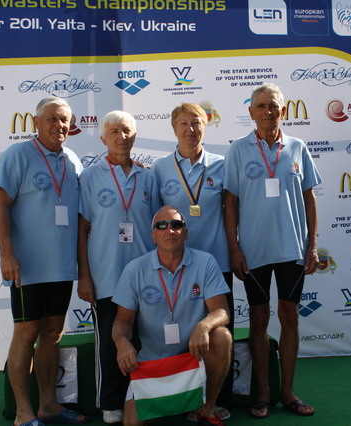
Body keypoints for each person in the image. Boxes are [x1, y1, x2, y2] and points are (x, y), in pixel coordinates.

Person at [224, 83, 322, 419]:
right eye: (262, 106)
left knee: (290, 316)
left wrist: (312, 245)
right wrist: (234, 248)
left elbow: (309, 198)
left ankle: (288, 391)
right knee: (258, 318)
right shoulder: (238, 149)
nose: (268, 111)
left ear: (283, 110)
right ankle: (263, 392)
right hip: (253, 251)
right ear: (251, 112)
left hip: (292, 248)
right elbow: (230, 202)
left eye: (274, 106)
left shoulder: (297, 147)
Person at [0, 97, 89, 426]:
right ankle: (23, 413)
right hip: (27, 268)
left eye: (64, 120)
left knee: (53, 333)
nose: (59, 125)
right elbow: (0, 205)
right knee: (26, 333)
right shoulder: (17, 155)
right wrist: (7, 253)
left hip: (61, 267)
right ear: (36, 122)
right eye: (52, 119)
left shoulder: (73, 160)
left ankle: (49, 405)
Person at [113, 206, 232, 426]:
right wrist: (121, 342)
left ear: (185, 233)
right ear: (153, 235)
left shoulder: (205, 262)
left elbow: (222, 311)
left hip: (192, 361)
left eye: (177, 225)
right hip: (152, 365)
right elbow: (122, 321)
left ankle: (206, 408)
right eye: (162, 225)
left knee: (221, 335)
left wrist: (203, 326)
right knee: (132, 422)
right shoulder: (134, 269)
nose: (170, 230)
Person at [77, 111, 160, 424]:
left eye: (126, 131)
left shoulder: (148, 177)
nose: (121, 137)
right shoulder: (89, 177)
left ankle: (143, 399)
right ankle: (111, 402)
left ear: (135, 136)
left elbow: (158, 225)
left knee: (144, 341)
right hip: (106, 275)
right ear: (103, 138)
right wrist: (84, 275)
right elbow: (81, 229)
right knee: (110, 342)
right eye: (114, 131)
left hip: (144, 275)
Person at [152, 103, 233, 418]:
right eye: (183, 123)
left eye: (196, 122)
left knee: (219, 332)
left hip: (217, 262)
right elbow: (155, 218)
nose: (190, 129)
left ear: (206, 125)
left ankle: (215, 400)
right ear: (174, 128)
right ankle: (180, 398)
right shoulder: (160, 168)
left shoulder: (222, 165)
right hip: (175, 265)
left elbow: (232, 212)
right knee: (179, 331)